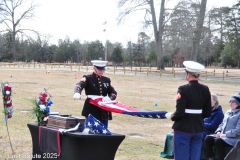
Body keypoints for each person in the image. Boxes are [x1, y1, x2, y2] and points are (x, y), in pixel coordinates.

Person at [165, 60, 212, 160]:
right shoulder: (205, 89)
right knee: (194, 157)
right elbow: (208, 112)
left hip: (183, 128)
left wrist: (171, 116)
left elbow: (180, 112)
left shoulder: (183, 89)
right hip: (198, 128)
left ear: (188, 74)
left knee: (181, 157)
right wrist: (196, 117)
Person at [74, 60, 117, 128]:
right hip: (92, 108)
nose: (101, 71)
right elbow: (79, 85)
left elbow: (113, 93)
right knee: (90, 129)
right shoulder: (88, 78)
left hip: (103, 109)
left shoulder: (107, 80)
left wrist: (109, 97)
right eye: (99, 69)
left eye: (103, 69)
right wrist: (77, 92)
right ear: (94, 68)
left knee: (103, 128)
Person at [204, 93, 240, 160]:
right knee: (208, 138)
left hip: (233, 138)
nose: (230, 104)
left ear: (238, 104)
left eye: (233, 102)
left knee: (218, 141)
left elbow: (238, 130)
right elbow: (222, 124)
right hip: (222, 135)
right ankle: (211, 158)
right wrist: (218, 131)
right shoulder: (228, 112)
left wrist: (225, 135)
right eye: (230, 102)